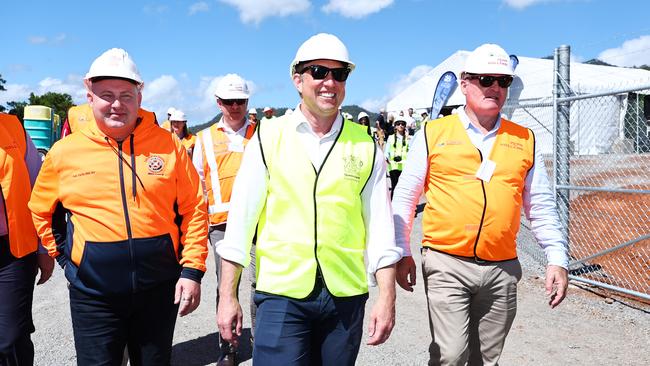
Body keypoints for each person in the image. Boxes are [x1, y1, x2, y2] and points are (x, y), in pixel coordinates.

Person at [216, 33, 403, 366]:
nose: (329, 81)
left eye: (339, 73)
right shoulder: (268, 136)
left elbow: (381, 230)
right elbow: (240, 224)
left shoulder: (365, 145)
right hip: (282, 295)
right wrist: (227, 297)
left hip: (344, 297)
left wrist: (386, 297)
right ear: (297, 79)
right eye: (318, 71)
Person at [28, 48, 209, 366]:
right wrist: (67, 259)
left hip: (158, 289)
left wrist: (192, 271)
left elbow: (194, 208)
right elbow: (41, 210)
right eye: (106, 94)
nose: (116, 104)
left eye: (126, 95)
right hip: (94, 296)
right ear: (90, 96)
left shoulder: (169, 146)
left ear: (140, 96)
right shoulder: (64, 153)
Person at [392, 43, 569, 366]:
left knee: (486, 358)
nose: (496, 88)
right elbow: (405, 196)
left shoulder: (524, 139)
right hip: (446, 261)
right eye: (486, 79)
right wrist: (401, 251)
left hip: (501, 266)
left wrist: (556, 258)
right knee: (452, 354)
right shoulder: (434, 133)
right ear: (464, 83)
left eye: (504, 81)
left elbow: (540, 205)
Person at [192, 73, 257, 366]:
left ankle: (262, 343)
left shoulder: (262, 135)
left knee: (262, 286)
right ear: (218, 102)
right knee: (225, 288)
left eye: (240, 101)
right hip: (221, 225)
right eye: (229, 101)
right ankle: (228, 348)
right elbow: (198, 185)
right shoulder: (204, 139)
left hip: (259, 223)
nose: (235, 107)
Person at [0, 113, 54, 366]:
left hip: (13, 250)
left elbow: (39, 190)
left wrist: (44, 247)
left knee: (11, 335)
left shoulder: (12, 128)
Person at [384, 116, 409, 198]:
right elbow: (386, 151)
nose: (400, 125)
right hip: (393, 166)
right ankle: (393, 207)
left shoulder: (408, 139)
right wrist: (386, 157)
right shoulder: (391, 138)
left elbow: (411, 151)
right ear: (395, 126)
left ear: (405, 126)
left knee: (404, 188)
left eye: (402, 124)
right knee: (395, 186)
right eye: (398, 124)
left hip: (404, 167)